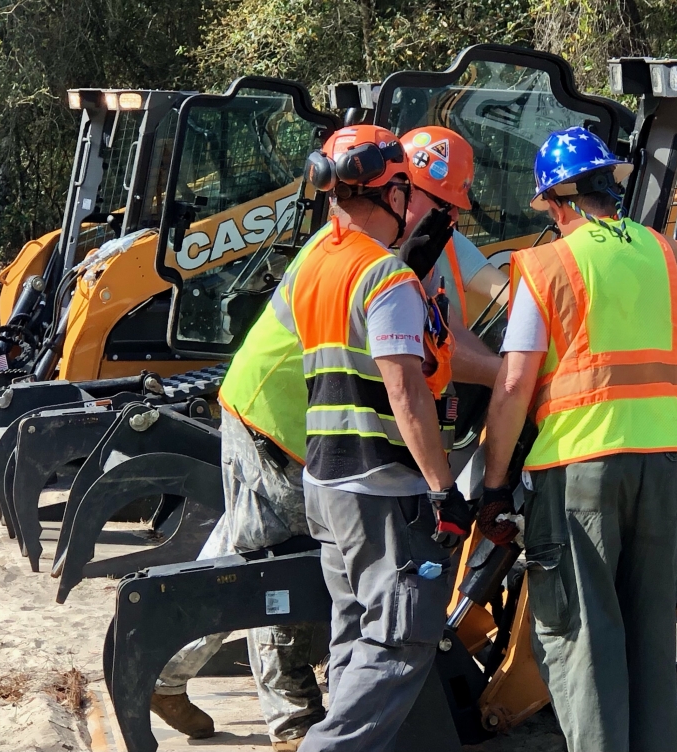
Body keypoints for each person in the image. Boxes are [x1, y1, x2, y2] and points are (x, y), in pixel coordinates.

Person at [475, 125, 677, 752]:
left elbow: (513, 386)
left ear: (558, 199)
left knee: (585, 637)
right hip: (669, 465)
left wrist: (492, 483)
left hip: (582, 469)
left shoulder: (547, 266)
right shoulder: (671, 257)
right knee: (650, 635)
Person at [286, 124, 472, 752]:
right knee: (401, 638)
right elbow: (407, 393)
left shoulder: (313, 264)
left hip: (325, 481)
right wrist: (445, 490)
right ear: (393, 191)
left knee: (355, 629)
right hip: (380, 485)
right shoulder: (388, 279)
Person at [149, 226, 339, 749]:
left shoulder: (384, 241)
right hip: (282, 427)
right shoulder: (367, 253)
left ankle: (161, 671)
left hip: (273, 414)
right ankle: (293, 720)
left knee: (239, 545)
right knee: (283, 558)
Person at [399, 125, 505, 388]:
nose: (455, 217)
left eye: (456, 206)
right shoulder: (368, 252)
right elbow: (421, 347)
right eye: (445, 204)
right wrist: (511, 377)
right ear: (406, 191)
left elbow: (505, 291)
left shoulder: (439, 238)